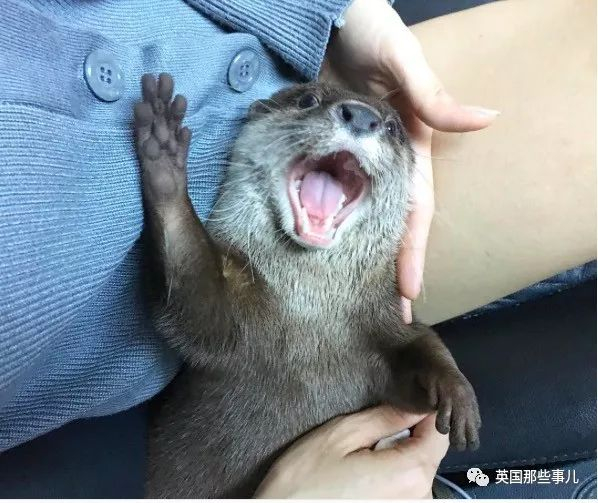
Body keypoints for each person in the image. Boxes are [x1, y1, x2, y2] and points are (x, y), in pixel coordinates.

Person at [0, 0, 594, 498]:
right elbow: (205, 325)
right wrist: (169, 199)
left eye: (383, 132)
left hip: (275, 60)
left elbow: (398, 344)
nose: (361, 124)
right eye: (320, 109)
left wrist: (335, 11)